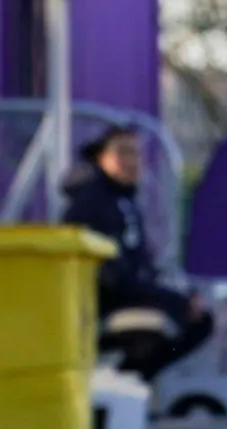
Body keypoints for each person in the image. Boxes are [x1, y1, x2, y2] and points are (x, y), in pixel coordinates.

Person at [61, 125, 213, 381]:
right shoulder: (91, 204)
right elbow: (112, 280)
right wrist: (173, 301)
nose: (132, 162)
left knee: (199, 322)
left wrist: (180, 295)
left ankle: (131, 383)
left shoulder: (125, 201)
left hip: (126, 295)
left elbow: (141, 266)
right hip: (94, 310)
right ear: (101, 156)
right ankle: (125, 385)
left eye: (136, 154)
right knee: (157, 330)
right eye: (123, 152)